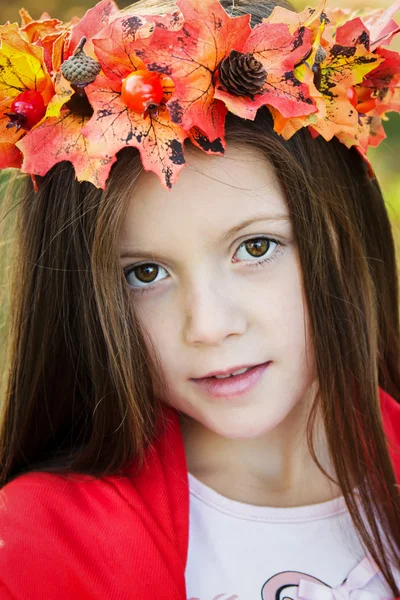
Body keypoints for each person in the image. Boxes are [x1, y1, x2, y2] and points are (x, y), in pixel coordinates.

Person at [0, 0, 400, 597]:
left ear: (347, 237)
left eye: (257, 248)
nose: (208, 327)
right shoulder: (38, 539)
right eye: (144, 274)